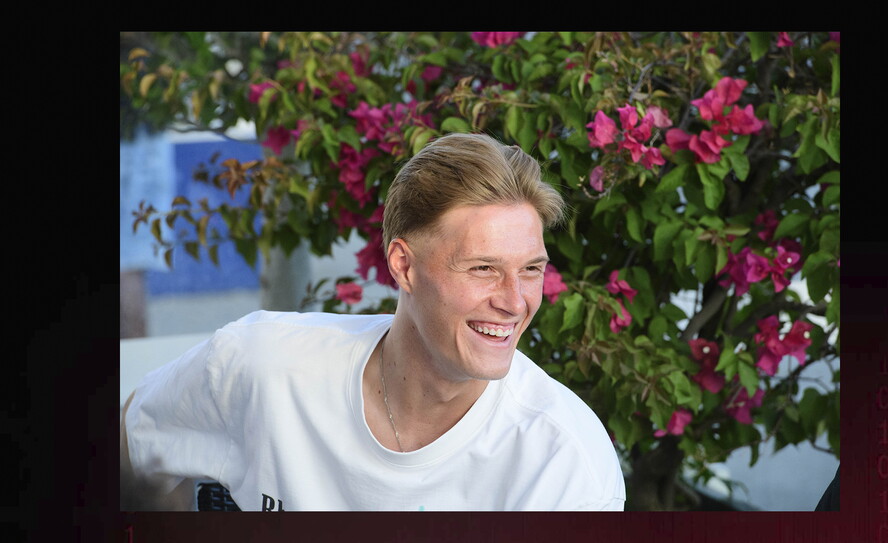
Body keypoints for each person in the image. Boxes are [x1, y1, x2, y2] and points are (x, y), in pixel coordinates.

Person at [121, 132, 626, 511]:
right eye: (483, 269)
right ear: (404, 266)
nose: (515, 302)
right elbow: (132, 448)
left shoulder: (563, 461)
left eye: (531, 270)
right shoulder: (264, 365)